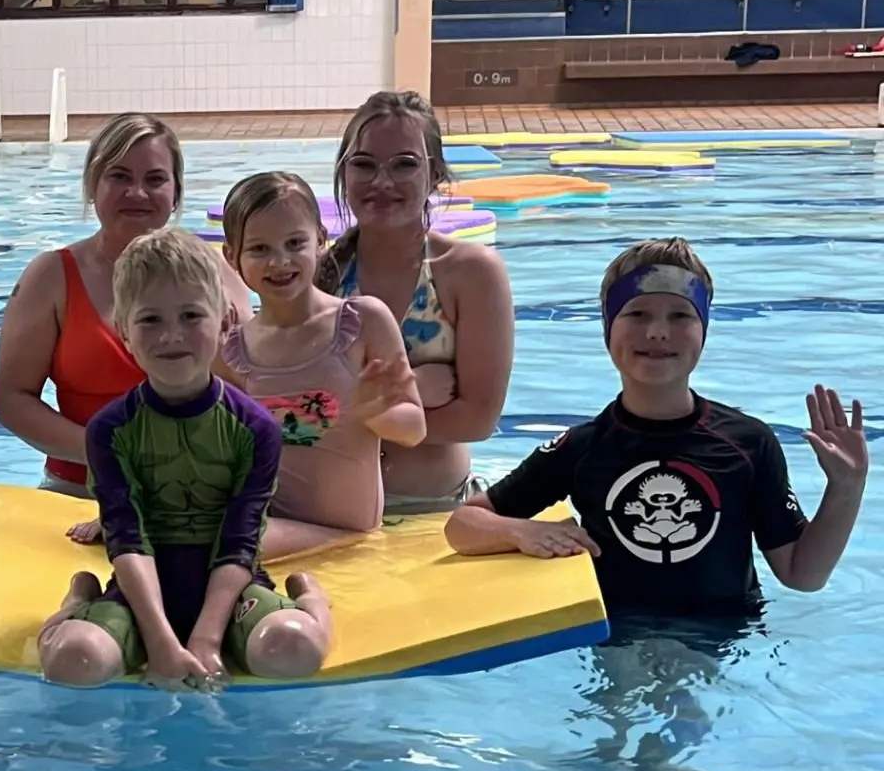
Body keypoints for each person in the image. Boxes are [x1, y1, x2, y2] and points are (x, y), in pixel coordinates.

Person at [444, 238, 869, 617]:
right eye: (638, 313)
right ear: (608, 329)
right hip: (618, 634)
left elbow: (803, 574)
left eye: (681, 315)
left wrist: (846, 488)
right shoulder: (583, 447)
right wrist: (523, 531)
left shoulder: (749, 443)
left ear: (704, 330)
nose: (658, 332)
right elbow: (463, 524)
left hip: (722, 638)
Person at [36, 227, 333, 690]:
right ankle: (79, 601)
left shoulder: (255, 429)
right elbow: (127, 540)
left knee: (293, 648)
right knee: (73, 661)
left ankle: (310, 599)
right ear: (124, 332)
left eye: (191, 315)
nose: (172, 335)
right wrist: (160, 645)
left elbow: (240, 541)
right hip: (140, 592)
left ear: (223, 322)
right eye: (150, 319)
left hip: (232, 590)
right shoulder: (111, 431)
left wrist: (208, 641)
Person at [0, 112, 254, 541]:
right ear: (93, 186)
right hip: (78, 493)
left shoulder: (217, 275)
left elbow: (249, 389)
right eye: (119, 176)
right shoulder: (51, 277)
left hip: (197, 495)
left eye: (155, 179)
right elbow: (13, 398)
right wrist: (109, 455)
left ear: (175, 193)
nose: (137, 192)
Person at [315, 91, 514, 514]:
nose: (381, 182)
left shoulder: (470, 273)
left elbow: (478, 419)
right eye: (364, 164)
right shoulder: (323, 273)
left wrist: (354, 413)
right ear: (343, 173)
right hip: (331, 508)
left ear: (435, 173)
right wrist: (414, 392)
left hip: (433, 506)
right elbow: (290, 403)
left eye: (404, 164)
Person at [218, 171, 427, 558]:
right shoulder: (235, 350)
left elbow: (415, 428)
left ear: (320, 240)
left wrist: (376, 413)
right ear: (232, 257)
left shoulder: (362, 322)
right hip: (275, 526)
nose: (280, 261)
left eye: (294, 243)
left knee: (225, 544)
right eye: (259, 249)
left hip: (347, 532)